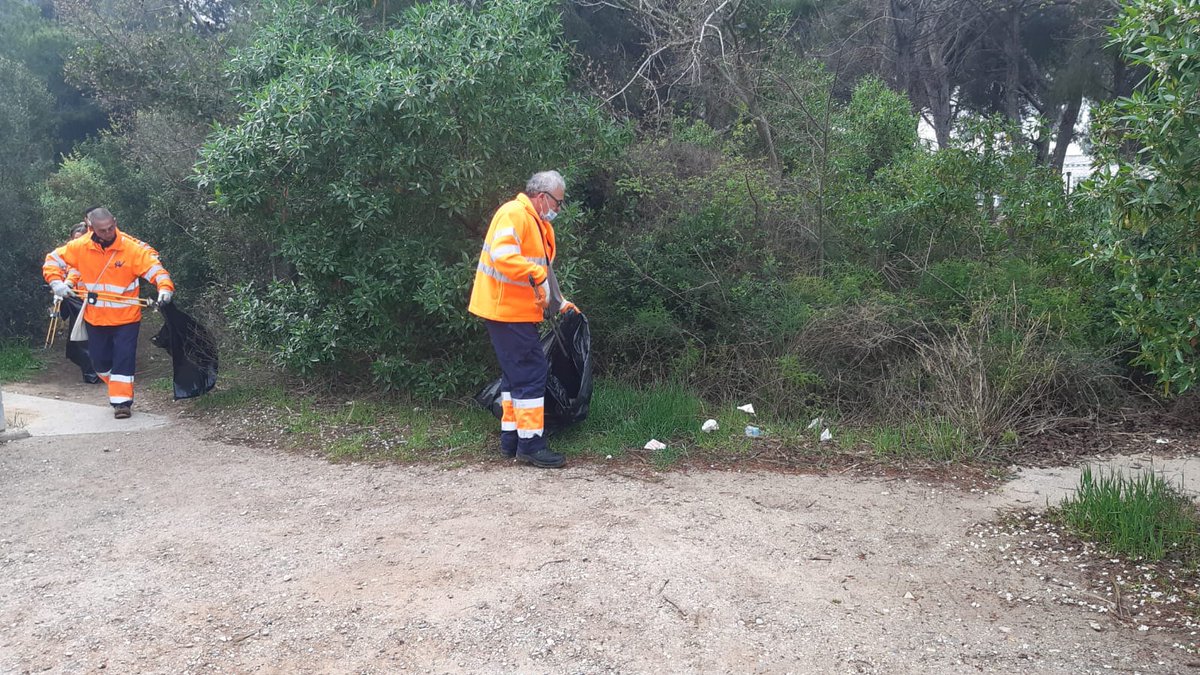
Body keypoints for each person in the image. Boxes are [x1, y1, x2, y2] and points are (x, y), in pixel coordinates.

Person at [468, 171, 578, 468]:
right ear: (542, 197)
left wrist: (561, 303)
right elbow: (505, 257)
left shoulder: (532, 221)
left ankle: (512, 441)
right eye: (558, 202)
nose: (559, 208)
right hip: (507, 312)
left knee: (516, 375)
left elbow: (543, 273)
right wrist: (536, 274)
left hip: (511, 311)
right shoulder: (514, 214)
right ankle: (531, 445)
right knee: (531, 372)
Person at [43, 208, 175, 419]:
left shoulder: (130, 248)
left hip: (127, 318)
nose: (108, 233)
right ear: (92, 228)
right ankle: (117, 385)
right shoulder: (80, 247)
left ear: (115, 221)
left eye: (111, 228)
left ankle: (122, 403)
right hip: (95, 317)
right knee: (99, 362)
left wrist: (165, 287)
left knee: (124, 358)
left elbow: (155, 269)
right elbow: (52, 260)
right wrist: (56, 282)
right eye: (102, 230)